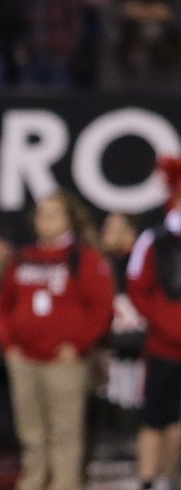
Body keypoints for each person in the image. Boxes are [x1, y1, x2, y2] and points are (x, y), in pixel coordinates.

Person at [0, 191, 115, 490]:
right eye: (41, 213)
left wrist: (77, 346)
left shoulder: (83, 259)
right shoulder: (23, 258)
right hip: (25, 360)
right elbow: (3, 306)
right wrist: (10, 346)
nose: (45, 220)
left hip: (65, 362)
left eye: (53, 213)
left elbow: (102, 309)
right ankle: (33, 483)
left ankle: (64, 485)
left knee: (65, 435)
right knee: (31, 435)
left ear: (68, 219)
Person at [127, 159, 181, 490]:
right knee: (154, 419)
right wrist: (165, 322)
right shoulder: (154, 240)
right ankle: (148, 481)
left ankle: (171, 477)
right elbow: (137, 287)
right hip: (163, 347)